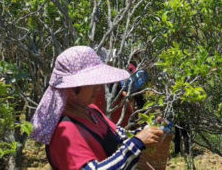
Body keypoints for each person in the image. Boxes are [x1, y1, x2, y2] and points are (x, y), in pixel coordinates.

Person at [30, 46, 164, 170]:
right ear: (71, 89)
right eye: (92, 84)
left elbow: (119, 135)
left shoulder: (92, 111)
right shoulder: (65, 131)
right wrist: (137, 142)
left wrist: (149, 130)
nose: (99, 88)